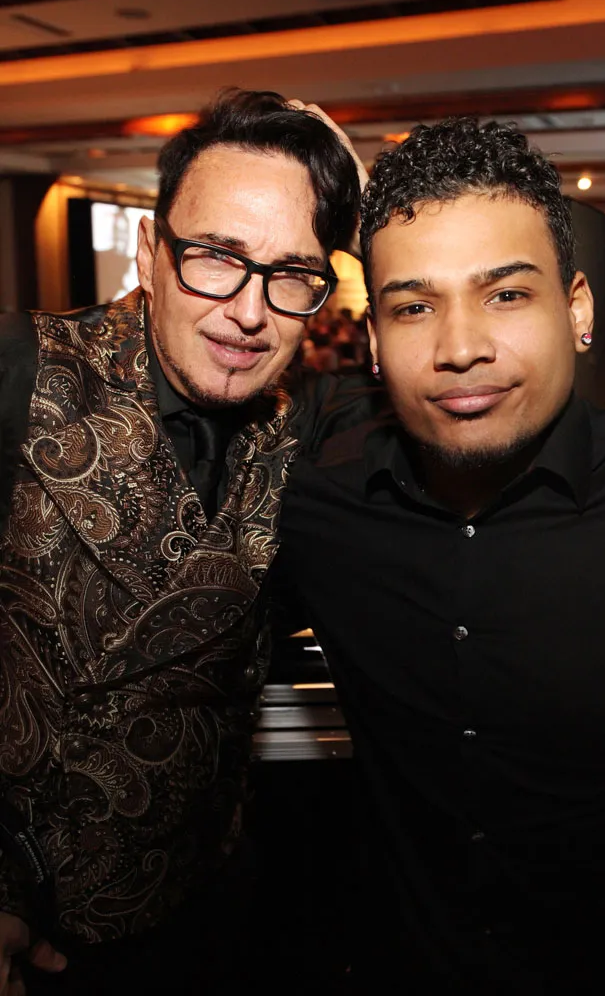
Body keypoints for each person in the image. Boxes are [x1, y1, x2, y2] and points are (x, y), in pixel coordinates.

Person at [276, 117, 605, 993]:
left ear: (577, 310)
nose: (459, 349)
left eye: (505, 295)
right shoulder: (318, 514)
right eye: (414, 307)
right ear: (373, 339)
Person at [0, 88, 360, 996]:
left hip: (204, 913)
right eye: (216, 258)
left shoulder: (309, 427)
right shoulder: (20, 372)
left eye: (291, 273)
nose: (248, 311)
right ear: (149, 256)